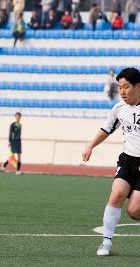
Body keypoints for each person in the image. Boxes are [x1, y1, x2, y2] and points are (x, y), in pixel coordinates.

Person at [81, 67, 140, 256]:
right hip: (128, 160)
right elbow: (106, 128)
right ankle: (106, 242)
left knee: (134, 211)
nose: (122, 91)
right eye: (119, 87)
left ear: (138, 86)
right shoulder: (119, 109)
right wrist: (90, 146)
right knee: (116, 195)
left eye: (126, 87)